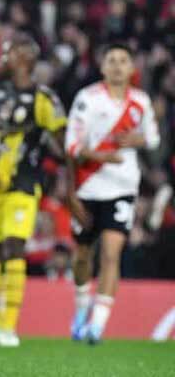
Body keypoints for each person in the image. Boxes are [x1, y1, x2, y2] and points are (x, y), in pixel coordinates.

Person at [0, 33, 83, 348]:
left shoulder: (44, 99)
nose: (3, 56)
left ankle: (9, 326)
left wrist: (63, 146)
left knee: (13, 245)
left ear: (26, 58)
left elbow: (64, 144)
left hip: (23, 182)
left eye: (10, 52)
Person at [65, 42, 160, 344]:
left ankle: (97, 325)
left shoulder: (141, 102)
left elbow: (154, 139)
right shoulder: (87, 99)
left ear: (132, 68)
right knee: (82, 255)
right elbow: (72, 145)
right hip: (88, 187)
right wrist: (100, 157)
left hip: (122, 188)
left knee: (111, 253)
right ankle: (81, 308)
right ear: (103, 67)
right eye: (112, 60)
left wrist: (139, 139)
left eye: (123, 60)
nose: (118, 65)